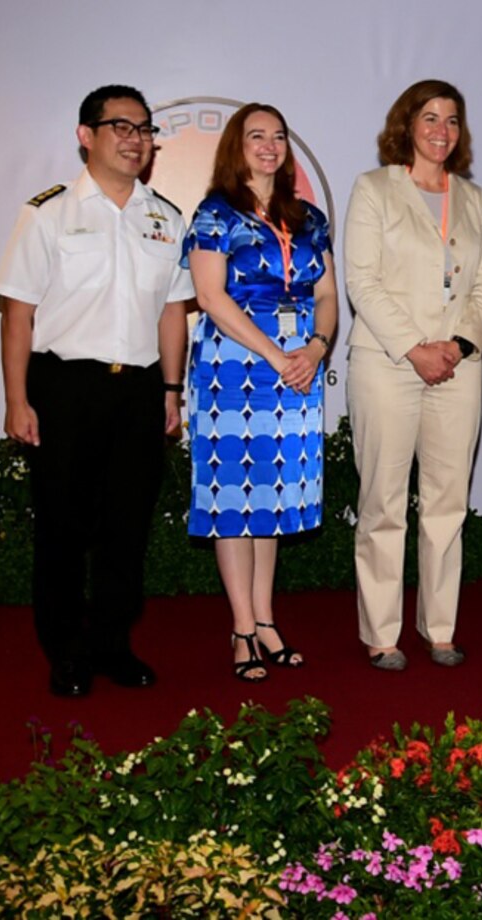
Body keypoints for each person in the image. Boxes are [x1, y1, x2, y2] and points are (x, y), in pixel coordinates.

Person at [0, 84, 193, 697]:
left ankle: (112, 643)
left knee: (126, 527)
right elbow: (18, 313)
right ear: (87, 136)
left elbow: (171, 312)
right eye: (121, 127)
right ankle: (65, 651)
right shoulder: (48, 212)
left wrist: (170, 390)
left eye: (144, 129)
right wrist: (16, 399)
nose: (136, 140)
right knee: (61, 526)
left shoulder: (165, 216)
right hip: (64, 386)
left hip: (137, 390)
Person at [344, 80, 482, 671]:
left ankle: (440, 629)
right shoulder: (374, 188)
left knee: (446, 504)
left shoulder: (473, 197)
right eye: (430, 117)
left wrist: (459, 345)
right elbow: (362, 280)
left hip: (459, 366)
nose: (442, 130)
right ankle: (381, 633)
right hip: (388, 363)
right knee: (383, 503)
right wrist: (415, 348)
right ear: (406, 125)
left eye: (453, 120)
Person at [183, 103, 337, 682]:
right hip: (234, 363)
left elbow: (326, 295)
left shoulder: (308, 217)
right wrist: (276, 355)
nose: (269, 146)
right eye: (256, 136)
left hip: (300, 361)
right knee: (234, 498)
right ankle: (242, 627)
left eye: (277, 136)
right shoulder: (215, 213)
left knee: (270, 498)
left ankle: (267, 619)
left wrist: (317, 348)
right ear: (235, 145)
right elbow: (210, 297)